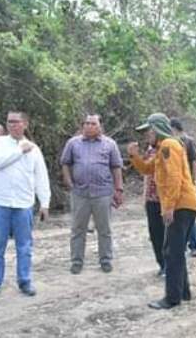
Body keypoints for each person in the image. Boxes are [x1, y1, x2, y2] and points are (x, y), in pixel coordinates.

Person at [128, 113, 196, 310]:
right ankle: (183, 292)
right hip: (183, 204)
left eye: (147, 131)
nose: (145, 136)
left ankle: (172, 298)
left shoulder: (169, 145)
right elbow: (147, 169)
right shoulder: (162, 149)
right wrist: (134, 155)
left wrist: (168, 207)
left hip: (181, 205)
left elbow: (174, 178)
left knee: (171, 252)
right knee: (174, 251)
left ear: (156, 129)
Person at [0, 111, 50, 300]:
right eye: (9, 122)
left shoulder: (34, 149)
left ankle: (25, 281)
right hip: (0, 203)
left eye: (16, 122)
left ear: (25, 124)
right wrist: (20, 150)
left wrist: (44, 203)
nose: (12, 125)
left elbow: (41, 177)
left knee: (25, 246)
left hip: (23, 204)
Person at [61, 114, 124, 275]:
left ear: (100, 126)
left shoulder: (110, 144)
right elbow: (65, 163)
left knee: (104, 229)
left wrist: (118, 190)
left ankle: (105, 260)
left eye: (93, 123)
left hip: (103, 193)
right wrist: (68, 181)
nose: (89, 126)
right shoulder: (73, 143)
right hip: (80, 193)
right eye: (86, 123)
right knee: (77, 229)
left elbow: (116, 167)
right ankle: (76, 262)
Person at [170, 118, 196, 257]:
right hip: (177, 184)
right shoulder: (171, 142)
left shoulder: (188, 141)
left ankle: (193, 245)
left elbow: (195, 161)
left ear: (175, 128)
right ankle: (182, 246)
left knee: (188, 216)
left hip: (187, 184)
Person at [142, 141, 166, 276]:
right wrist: (145, 195)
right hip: (152, 199)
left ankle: (170, 265)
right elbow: (146, 174)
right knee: (155, 234)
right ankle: (162, 264)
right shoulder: (150, 151)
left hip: (167, 199)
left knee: (167, 234)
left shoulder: (170, 147)